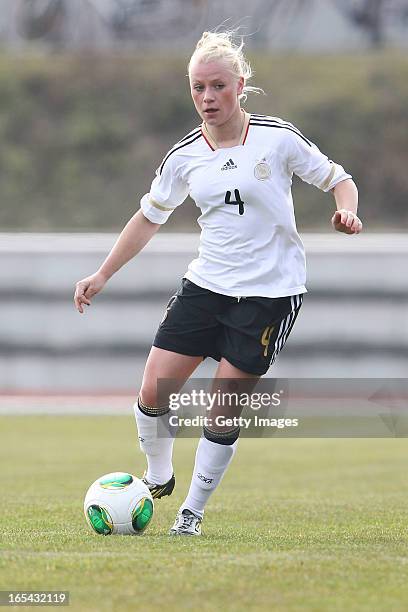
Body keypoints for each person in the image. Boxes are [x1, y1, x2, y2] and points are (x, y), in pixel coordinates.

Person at [74, 30, 362, 537]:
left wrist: (346, 211)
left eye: (217, 87)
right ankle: (158, 475)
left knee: (222, 406)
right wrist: (102, 273)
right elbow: (148, 217)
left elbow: (339, 177)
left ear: (240, 85)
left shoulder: (278, 138)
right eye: (197, 88)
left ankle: (192, 512)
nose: (207, 98)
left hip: (270, 295)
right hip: (206, 285)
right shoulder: (183, 156)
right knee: (152, 388)